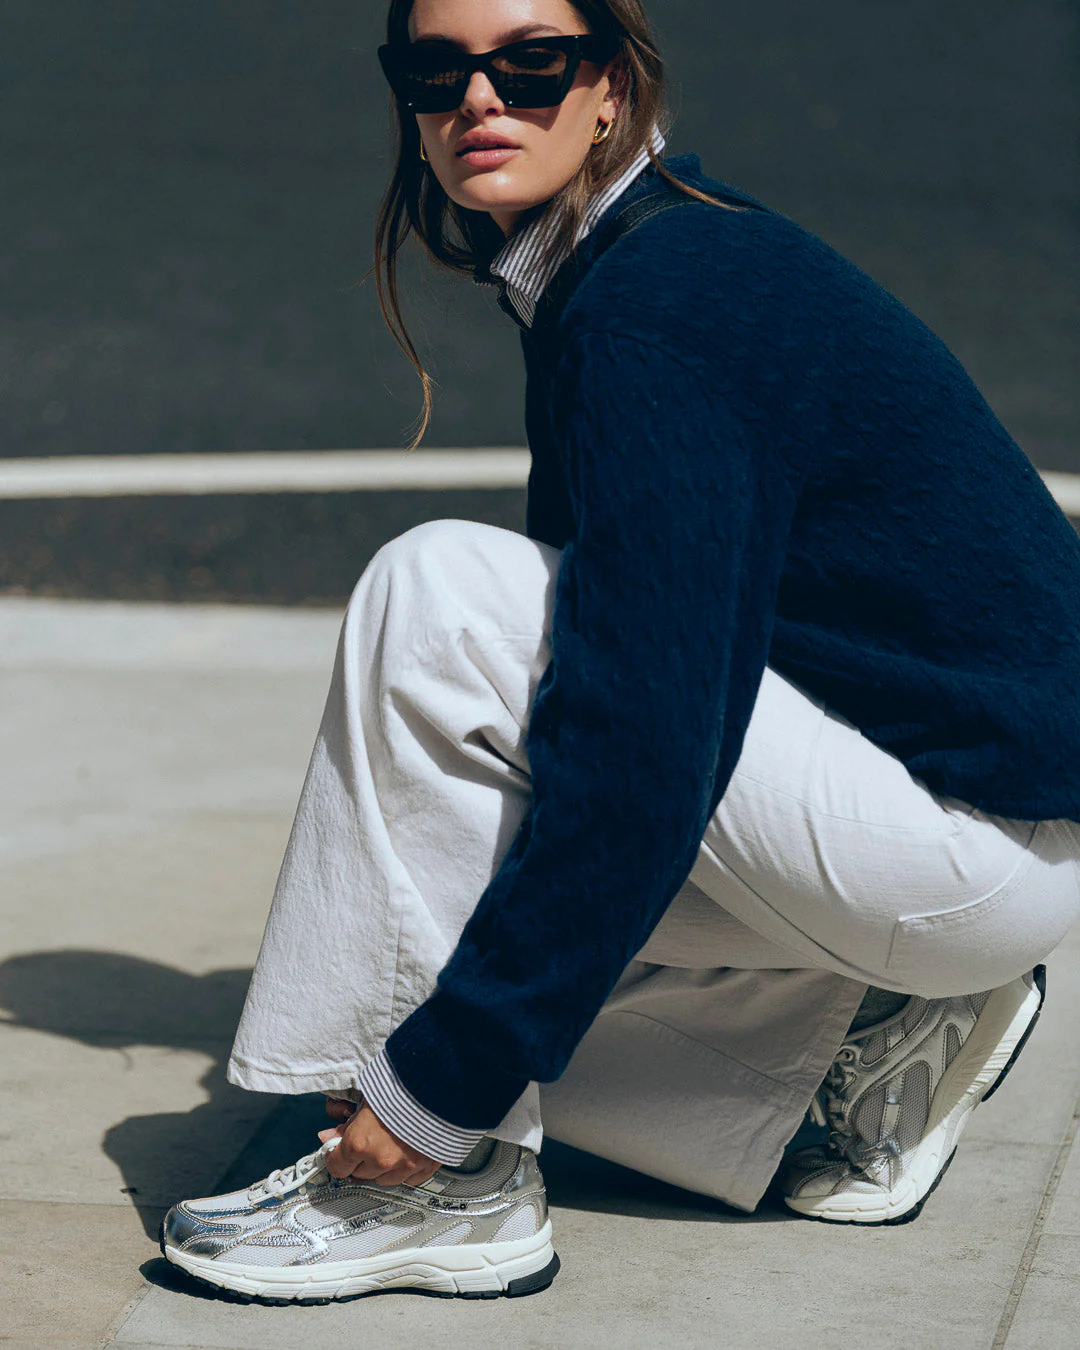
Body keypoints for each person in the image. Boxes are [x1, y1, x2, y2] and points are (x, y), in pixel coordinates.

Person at [161, 0, 1080, 1304]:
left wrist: (436, 1091)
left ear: (611, 88)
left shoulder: (660, 306)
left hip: (970, 833)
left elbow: (645, 742)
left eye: (531, 62)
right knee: (440, 949)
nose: (479, 100)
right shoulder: (630, 260)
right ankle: (868, 1033)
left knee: (441, 595)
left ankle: (442, 1184)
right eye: (435, 70)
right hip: (953, 815)